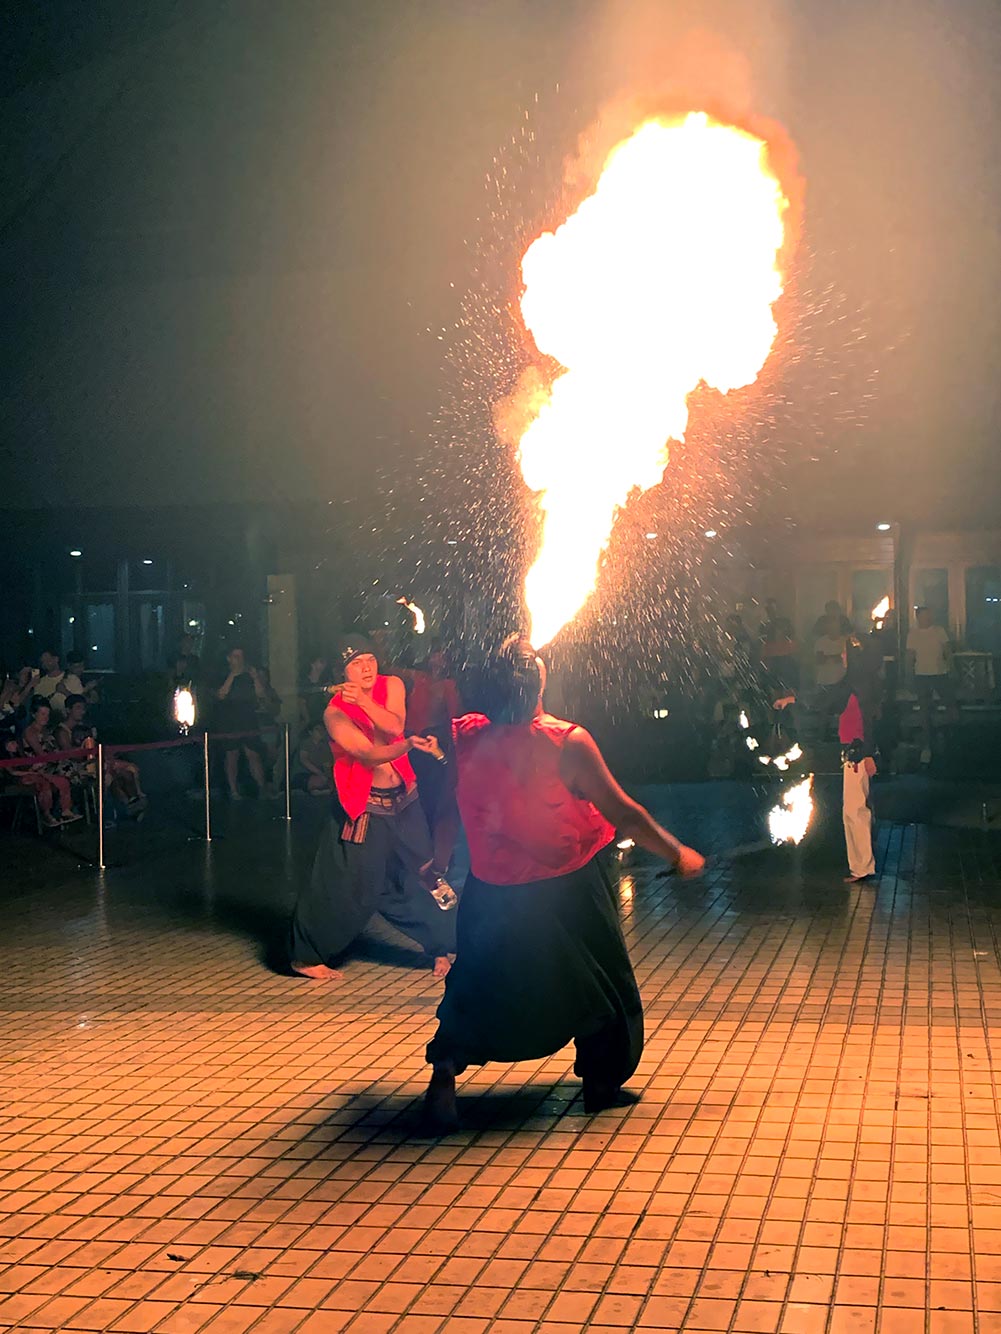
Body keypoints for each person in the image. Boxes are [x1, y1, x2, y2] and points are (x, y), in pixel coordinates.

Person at [423, 636, 705, 1131]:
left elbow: (451, 801)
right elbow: (623, 812)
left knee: (478, 983)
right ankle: (599, 1082)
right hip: (565, 890)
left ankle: (443, 1078)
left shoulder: (463, 734)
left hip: (492, 890)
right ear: (540, 682)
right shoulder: (566, 740)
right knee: (598, 984)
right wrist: (676, 851)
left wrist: (439, 857)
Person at [288, 634, 458, 981]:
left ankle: (444, 945)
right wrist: (407, 744)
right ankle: (305, 955)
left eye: (370, 659)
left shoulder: (391, 684)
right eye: (355, 663)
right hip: (363, 808)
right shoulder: (334, 712)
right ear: (342, 671)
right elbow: (366, 754)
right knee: (351, 886)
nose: (366, 668)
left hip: (403, 799)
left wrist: (367, 702)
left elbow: (394, 724)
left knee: (428, 873)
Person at [776, 632, 882, 883]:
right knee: (853, 810)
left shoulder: (856, 685)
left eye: (846, 653)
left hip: (857, 753)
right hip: (855, 753)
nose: (842, 657)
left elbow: (828, 700)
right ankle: (860, 865)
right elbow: (828, 698)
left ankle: (862, 866)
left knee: (856, 810)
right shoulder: (859, 682)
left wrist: (868, 754)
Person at [402, 643, 462, 878]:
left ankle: (436, 855)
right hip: (410, 742)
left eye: (441, 658)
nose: (436, 662)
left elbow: (456, 719)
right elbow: (390, 669)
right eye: (433, 656)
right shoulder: (418, 677)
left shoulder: (448, 686)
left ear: (447, 661)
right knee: (410, 794)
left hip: (431, 743)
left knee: (433, 797)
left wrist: (448, 753)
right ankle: (415, 851)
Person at [59, 695, 147, 814]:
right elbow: (70, 755)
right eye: (78, 708)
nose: (82, 711)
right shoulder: (62, 732)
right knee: (109, 777)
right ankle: (112, 812)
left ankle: (133, 803)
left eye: (83, 708)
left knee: (128, 771)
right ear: (68, 710)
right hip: (78, 768)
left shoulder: (86, 727)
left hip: (97, 762)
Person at [214, 647, 275, 799]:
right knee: (232, 755)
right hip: (229, 720)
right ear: (229, 658)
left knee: (253, 754)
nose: (239, 659)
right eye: (236, 656)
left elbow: (261, 695)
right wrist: (232, 676)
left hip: (248, 718)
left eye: (241, 656)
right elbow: (220, 695)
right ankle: (233, 790)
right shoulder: (221, 674)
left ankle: (262, 789)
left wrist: (255, 678)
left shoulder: (249, 676)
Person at [20, 697, 84, 825]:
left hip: (55, 763)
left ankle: (66, 809)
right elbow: (41, 754)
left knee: (77, 769)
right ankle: (58, 811)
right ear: (34, 714)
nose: (46, 717)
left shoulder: (47, 731)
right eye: (42, 714)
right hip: (40, 766)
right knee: (70, 771)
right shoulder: (30, 732)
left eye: (47, 714)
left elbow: (55, 750)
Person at [907, 606, 957, 764]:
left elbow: (947, 651)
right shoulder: (913, 634)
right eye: (923, 616)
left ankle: (953, 738)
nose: (927, 618)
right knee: (924, 710)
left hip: (940, 674)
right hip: (921, 675)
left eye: (929, 615)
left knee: (951, 704)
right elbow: (910, 656)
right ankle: (926, 746)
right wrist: (908, 675)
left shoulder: (939, 631)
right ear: (918, 617)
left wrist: (952, 668)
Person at [32, 650, 85, 718]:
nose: (45, 664)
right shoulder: (40, 683)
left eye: (48, 660)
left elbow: (80, 704)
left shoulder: (72, 679)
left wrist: (65, 691)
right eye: (43, 662)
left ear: (56, 659)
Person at [293, 719, 335, 796]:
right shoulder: (305, 743)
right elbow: (303, 760)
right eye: (317, 729)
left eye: (322, 729)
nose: (321, 731)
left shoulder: (325, 746)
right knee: (317, 780)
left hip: (320, 775)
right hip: (303, 774)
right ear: (310, 732)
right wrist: (320, 774)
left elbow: (327, 764)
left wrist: (328, 778)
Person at [814, 611, 848, 688]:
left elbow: (847, 659)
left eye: (836, 627)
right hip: (824, 682)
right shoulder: (821, 642)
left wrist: (829, 658)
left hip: (841, 682)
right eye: (832, 627)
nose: (834, 629)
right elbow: (820, 660)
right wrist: (838, 657)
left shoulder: (845, 641)